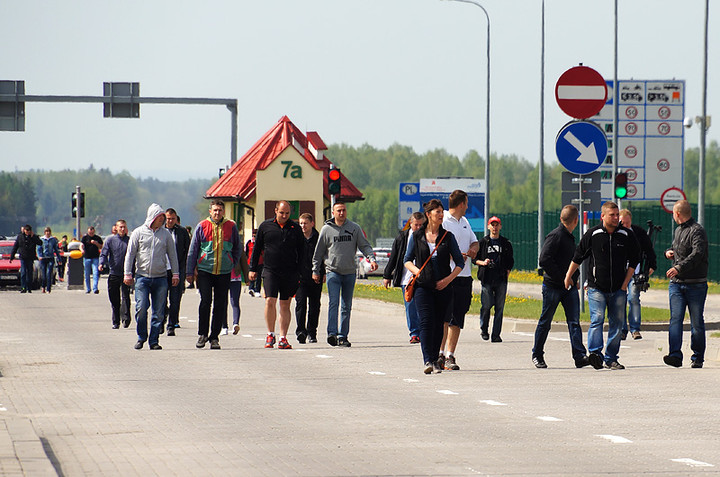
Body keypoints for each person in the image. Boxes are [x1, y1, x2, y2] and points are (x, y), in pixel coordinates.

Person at [564, 201, 639, 370]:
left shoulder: (626, 235)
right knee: (597, 320)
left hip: (619, 288)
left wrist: (626, 283)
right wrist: (568, 276)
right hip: (596, 287)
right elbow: (578, 256)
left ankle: (611, 358)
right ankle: (596, 355)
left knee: (617, 324)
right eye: (611, 215)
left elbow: (635, 259)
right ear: (602, 216)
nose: (615, 218)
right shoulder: (593, 234)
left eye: (617, 214)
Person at [404, 199, 464, 374]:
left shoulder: (447, 236)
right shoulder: (416, 236)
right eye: (437, 211)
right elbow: (407, 260)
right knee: (426, 322)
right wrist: (418, 272)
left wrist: (448, 279)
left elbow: (459, 262)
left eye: (442, 211)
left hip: (443, 287)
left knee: (439, 324)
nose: (441, 214)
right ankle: (427, 360)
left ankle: (436, 359)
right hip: (423, 286)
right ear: (428, 214)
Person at [532, 205, 590, 369]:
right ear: (576, 220)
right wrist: (563, 278)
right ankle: (537, 354)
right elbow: (544, 260)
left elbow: (571, 260)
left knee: (574, 322)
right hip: (552, 286)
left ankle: (579, 356)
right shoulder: (556, 235)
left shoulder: (569, 236)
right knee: (546, 321)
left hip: (568, 288)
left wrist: (574, 278)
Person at [312, 201, 377, 347]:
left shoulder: (354, 228)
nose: (342, 213)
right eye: (339, 211)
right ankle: (332, 333)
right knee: (334, 302)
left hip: (349, 272)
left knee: (346, 306)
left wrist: (371, 259)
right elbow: (318, 253)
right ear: (333, 213)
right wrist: (315, 270)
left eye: (344, 210)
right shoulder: (326, 229)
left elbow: (364, 246)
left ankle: (343, 336)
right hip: (332, 272)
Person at [249, 201, 304, 350]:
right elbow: (257, 249)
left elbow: (302, 251)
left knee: (285, 304)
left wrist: (301, 272)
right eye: (281, 213)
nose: (284, 216)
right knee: (270, 301)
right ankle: (270, 333)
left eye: (287, 213)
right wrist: (252, 268)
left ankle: (283, 337)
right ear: (275, 211)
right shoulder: (265, 226)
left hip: (290, 272)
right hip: (270, 270)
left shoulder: (295, 228)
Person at [186, 199, 240, 350]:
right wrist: (190, 272)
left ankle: (214, 337)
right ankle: (202, 334)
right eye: (215, 210)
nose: (217, 213)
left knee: (220, 304)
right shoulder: (202, 226)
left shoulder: (231, 226)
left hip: (223, 271)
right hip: (205, 270)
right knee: (205, 301)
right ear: (210, 211)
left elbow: (237, 248)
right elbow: (193, 250)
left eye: (220, 210)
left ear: (224, 212)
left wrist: (231, 262)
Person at [124, 204, 179, 351]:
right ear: (153, 217)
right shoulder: (138, 233)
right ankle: (141, 337)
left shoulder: (165, 234)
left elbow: (172, 255)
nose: (163, 220)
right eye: (161, 217)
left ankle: (154, 340)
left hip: (160, 278)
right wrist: (127, 273)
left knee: (158, 311)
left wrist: (175, 273)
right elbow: (130, 254)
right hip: (142, 277)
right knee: (141, 308)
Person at [663, 200, 708, 368]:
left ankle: (697, 357)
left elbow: (697, 254)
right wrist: (670, 252)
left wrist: (679, 267)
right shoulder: (678, 231)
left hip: (695, 284)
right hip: (676, 284)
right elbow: (681, 250)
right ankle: (675, 355)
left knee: (696, 321)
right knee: (675, 319)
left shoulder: (697, 231)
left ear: (677, 214)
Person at [440, 190, 479, 371]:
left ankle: (450, 355)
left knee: (458, 317)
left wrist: (472, 250)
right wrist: (453, 256)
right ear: (461, 203)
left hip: (464, 277)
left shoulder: (465, 222)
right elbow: (436, 246)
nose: (468, 206)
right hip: (447, 276)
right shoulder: (443, 221)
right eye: (467, 203)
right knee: (444, 317)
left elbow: (475, 242)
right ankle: (439, 353)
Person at [383, 212, 426, 344]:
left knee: (423, 306)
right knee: (410, 306)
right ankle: (414, 333)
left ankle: (424, 332)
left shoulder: (428, 236)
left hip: (424, 277)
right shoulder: (403, 237)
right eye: (416, 225)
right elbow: (394, 256)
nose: (418, 228)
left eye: (421, 225)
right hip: (406, 278)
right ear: (410, 224)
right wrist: (387, 275)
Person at [618, 209, 657, 341]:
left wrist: (652, 266)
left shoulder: (639, 233)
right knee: (620, 300)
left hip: (635, 272)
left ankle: (635, 329)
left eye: (628, 223)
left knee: (633, 298)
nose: (626, 226)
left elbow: (649, 249)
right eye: (623, 223)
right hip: (620, 272)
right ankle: (622, 329)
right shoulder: (616, 233)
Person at [475, 216, 514, 342]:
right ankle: (484, 329)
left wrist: (507, 271)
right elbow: (474, 260)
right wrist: (483, 262)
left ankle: (496, 334)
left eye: (497, 225)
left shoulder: (505, 243)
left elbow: (510, 260)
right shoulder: (483, 242)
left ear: (500, 227)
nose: (495, 228)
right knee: (486, 305)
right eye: (492, 225)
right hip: (487, 278)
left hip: (501, 279)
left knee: (499, 307)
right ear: (488, 226)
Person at [295, 212, 323, 344]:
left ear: (312, 224)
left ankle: (312, 332)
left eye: (305, 223)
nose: (302, 226)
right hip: (300, 277)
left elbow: (324, 257)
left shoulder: (319, 238)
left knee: (314, 305)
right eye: (300, 223)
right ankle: (301, 331)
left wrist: (322, 273)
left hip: (315, 277)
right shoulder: (296, 238)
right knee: (300, 304)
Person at [100, 220, 131, 329]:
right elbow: (104, 253)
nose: (122, 229)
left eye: (124, 227)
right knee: (114, 298)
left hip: (126, 273)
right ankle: (116, 320)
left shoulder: (130, 240)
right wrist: (101, 263)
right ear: (116, 228)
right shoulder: (110, 240)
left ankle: (126, 318)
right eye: (120, 227)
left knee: (126, 296)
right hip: (114, 273)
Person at [164, 208, 191, 337]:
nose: (170, 221)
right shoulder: (159, 231)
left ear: (176, 219)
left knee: (175, 299)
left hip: (177, 270)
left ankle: (171, 325)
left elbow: (188, 251)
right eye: (168, 218)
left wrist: (186, 270)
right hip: (162, 271)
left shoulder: (182, 232)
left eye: (173, 219)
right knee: (161, 299)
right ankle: (161, 319)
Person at [10, 225, 42, 293]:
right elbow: (15, 246)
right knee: (23, 272)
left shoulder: (34, 237)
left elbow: (40, 243)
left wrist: (33, 237)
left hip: (30, 257)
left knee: (30, 273)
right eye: (26, 230)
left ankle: (29, 287)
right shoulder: (20, 237)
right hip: (23, 257)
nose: (27, 232)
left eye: (29, 230)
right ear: (24, 230)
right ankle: (23, 287)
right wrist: (12, 257)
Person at [229, 248, 250, 335]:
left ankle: (235, 323)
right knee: (222, 302)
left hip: (235, 277)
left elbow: (244, 263)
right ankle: (224, 326)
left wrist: (246, 278)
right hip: (222, 276)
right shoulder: (220, 242)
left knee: (235, 302)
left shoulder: (238, 246)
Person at [38, 227, 61, 293]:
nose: (48, 233)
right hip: (43, 258)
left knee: (49, 273)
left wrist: (59, 259)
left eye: (49, 231)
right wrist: (40, 256)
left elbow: (56, 250)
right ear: (44, 232)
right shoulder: (42, 239)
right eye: (46, 231)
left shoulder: (53, 240)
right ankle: (43, 287)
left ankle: (48, 288)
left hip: (50, 258)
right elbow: (39, 249)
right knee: (44, 274)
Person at [81, 226, 103, 294]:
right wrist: (81, 250)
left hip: (95, 258)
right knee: (87, 274)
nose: (91, 233)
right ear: (88, 231)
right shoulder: (85, 238)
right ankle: (88, 288)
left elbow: (101, 246)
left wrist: (96, 243)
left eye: (92, 232)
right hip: (87, 258)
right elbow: (81, 244)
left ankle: (95, 288)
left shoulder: (97, 238)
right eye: (90, 232)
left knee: (95, 273)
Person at [245, 230, 263, 297]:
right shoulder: (249, 243)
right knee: (251, 276)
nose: (254, 237)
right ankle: (251, 288)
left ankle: (257, 290)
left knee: (258, 277)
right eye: (253, 235)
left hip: (260, 262)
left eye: (255, 236)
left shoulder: (261, 243)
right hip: (250, 262)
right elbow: (246, 252)